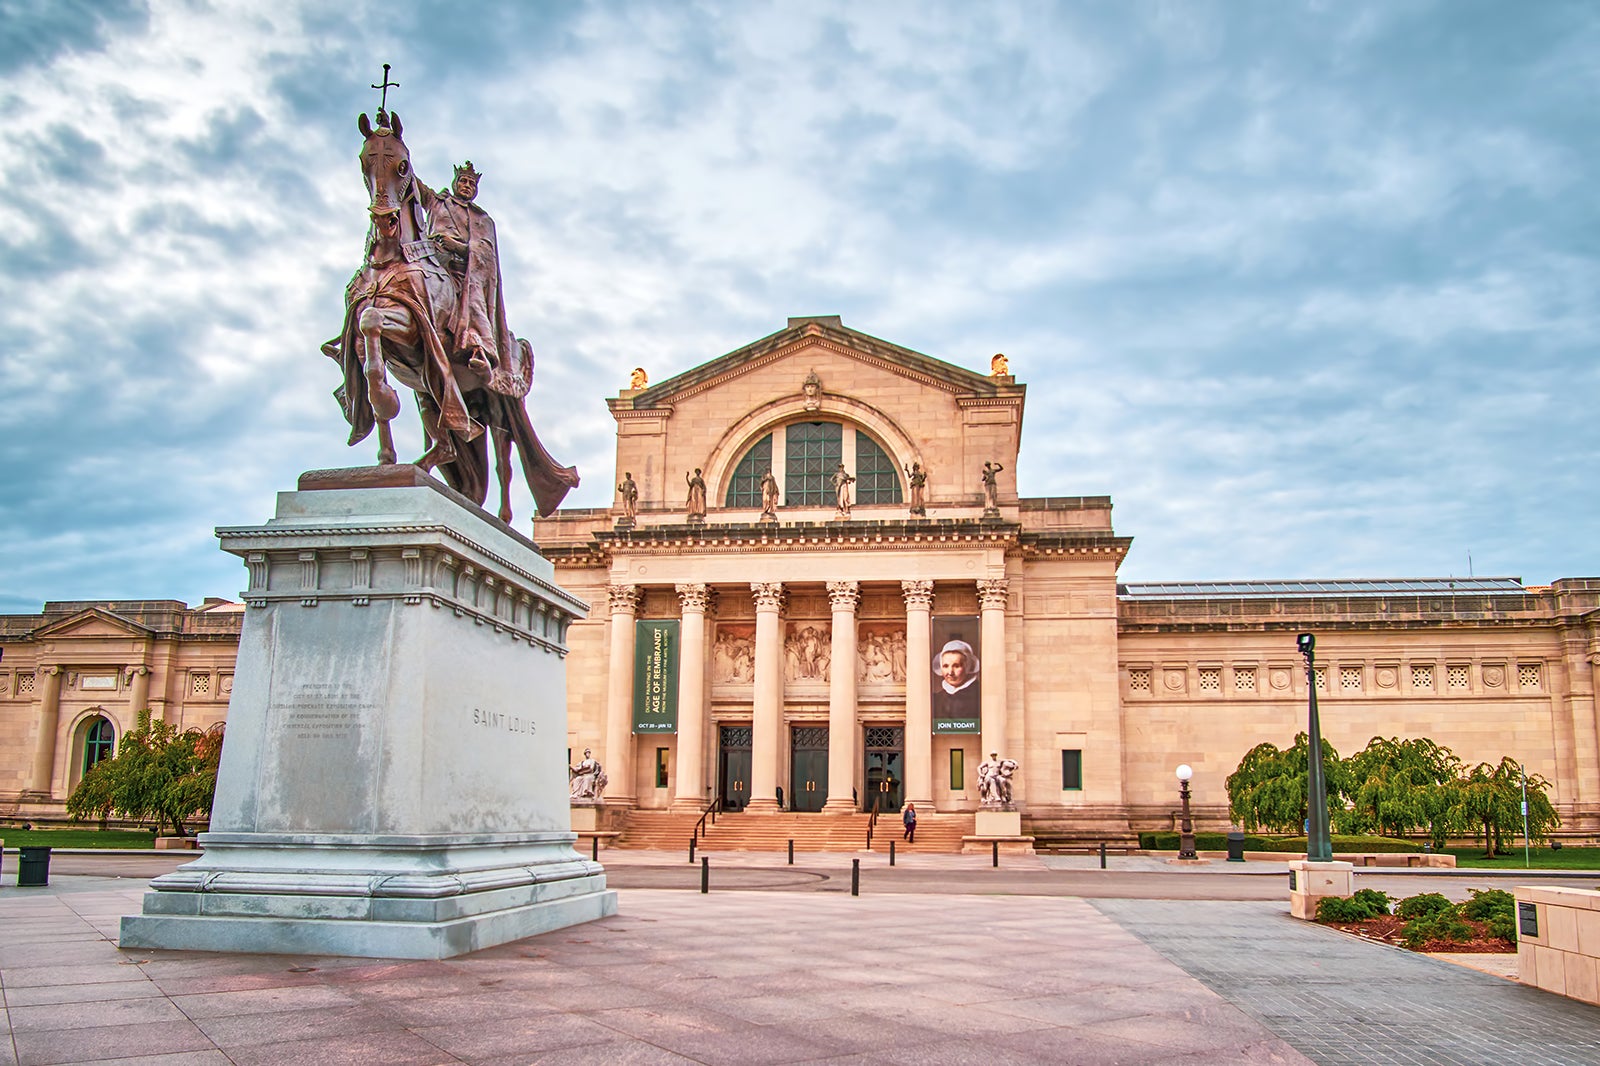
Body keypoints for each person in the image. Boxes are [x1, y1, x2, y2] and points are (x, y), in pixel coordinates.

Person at [421, 161, 513, 379]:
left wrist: (459, 247)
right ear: (455, 183)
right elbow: (408, 182)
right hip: (431, 262)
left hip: (462, 271)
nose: (467, 185)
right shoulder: (437, 202)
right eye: (463, 180)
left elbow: (486, 254)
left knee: (474, 300)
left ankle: (480, 349)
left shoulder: (483, 220)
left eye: (472, 183)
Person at [931, 638, 980, 723]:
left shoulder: (979, 696)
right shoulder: (936, 699)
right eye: (945, 666)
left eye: (956, 666)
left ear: (968, 666)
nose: (950, 672)